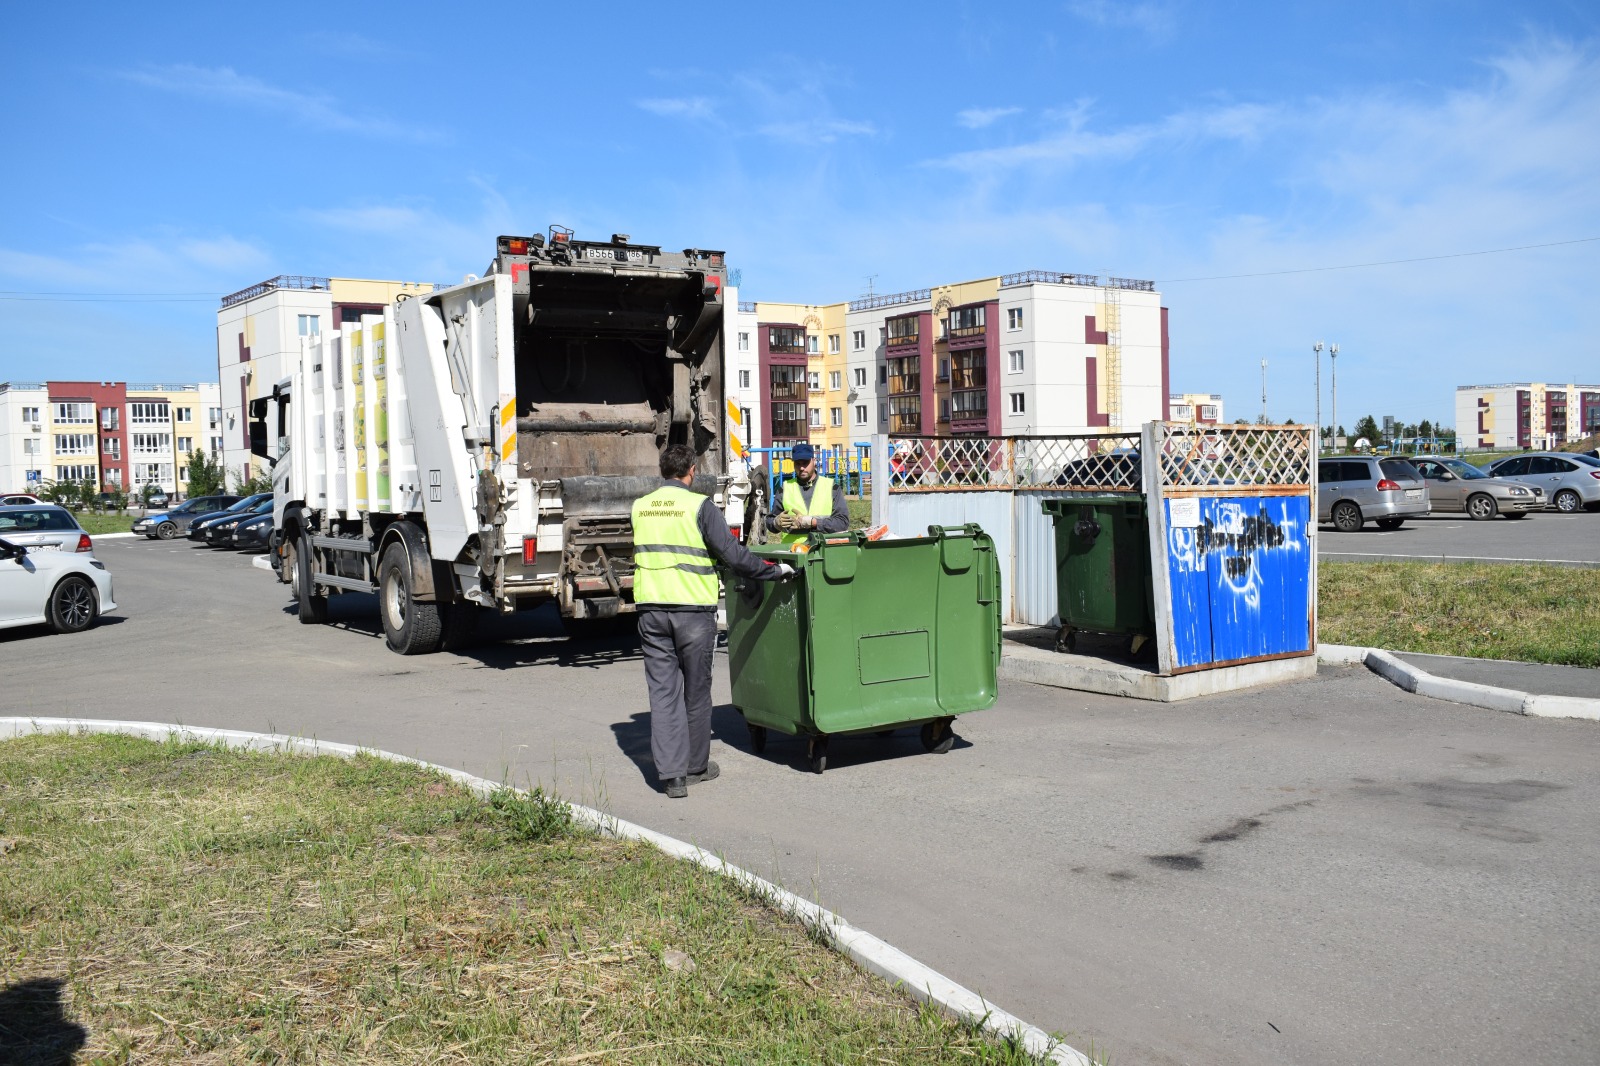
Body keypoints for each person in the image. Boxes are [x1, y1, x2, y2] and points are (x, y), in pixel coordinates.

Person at [632, 443, 794, 798]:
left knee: (663, 693)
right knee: (696, 691)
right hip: (691, 610)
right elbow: (733, 555)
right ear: (690, 471)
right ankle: (695, 767)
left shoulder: (640, 507)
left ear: (663, 471)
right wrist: (773, 571)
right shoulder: (698, 506)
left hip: (651, 610)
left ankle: (672, 778)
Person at [765, 442, 849, 544]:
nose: (801, 468)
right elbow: (770, 522)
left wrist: (813, 522)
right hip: (792, 552)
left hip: (824, 551)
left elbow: (842, 523)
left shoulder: (832, 488)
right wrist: (776, 523)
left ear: (814, 461)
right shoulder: (785, 489)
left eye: (805, 463)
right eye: (798, 463)